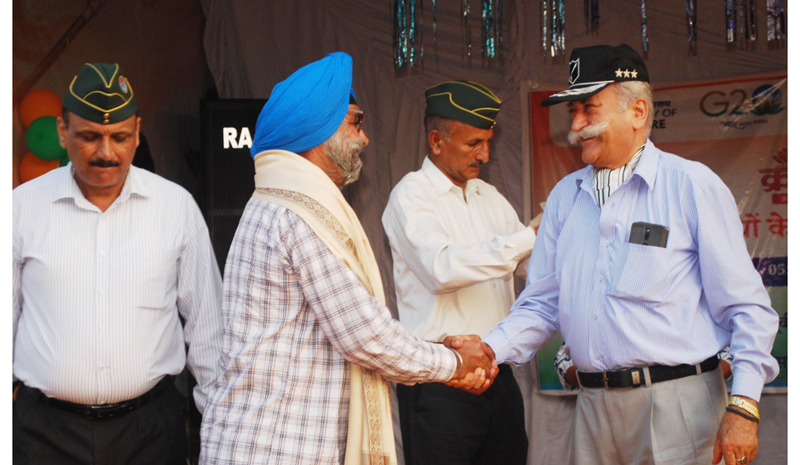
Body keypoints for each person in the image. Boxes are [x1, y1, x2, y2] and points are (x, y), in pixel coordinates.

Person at [470, 44, 779, 465]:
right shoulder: (565, 197)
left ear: (637, 113)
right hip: (593, 409)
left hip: (680, 407)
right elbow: (541, 303)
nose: (576, 125)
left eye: (589, 109)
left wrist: (743, 407)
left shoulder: (690, 186)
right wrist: (489, 351)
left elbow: (748, 309)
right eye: (572, 112)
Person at [198, 52, 496, 465]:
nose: (365, 138)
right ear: (317, 128)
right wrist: (456, 362)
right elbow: (365, 337)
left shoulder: (284, 205)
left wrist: (432, 348)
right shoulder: (298, 214)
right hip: (273, 449)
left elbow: (346, 330)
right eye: (356, 122)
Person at [12, 63, 224, 464]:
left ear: (138, 131)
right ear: (62, 131)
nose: (106, 153)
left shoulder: (174, 207)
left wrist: (219, 432)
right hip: (44, 434)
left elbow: (209, 335)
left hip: (149, 432)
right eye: (90, 137)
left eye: (120, 137)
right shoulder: (21, 209)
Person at [381, 80, 533, 465]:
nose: (484, 155)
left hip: (498, 374)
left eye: (488, 142)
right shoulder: (411, 195)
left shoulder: (489, 196)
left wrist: (554, 233)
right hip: (439, 381)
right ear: (436, 141)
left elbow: (527, 264)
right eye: (473, 144)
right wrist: (528, 236)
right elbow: (442, 268)